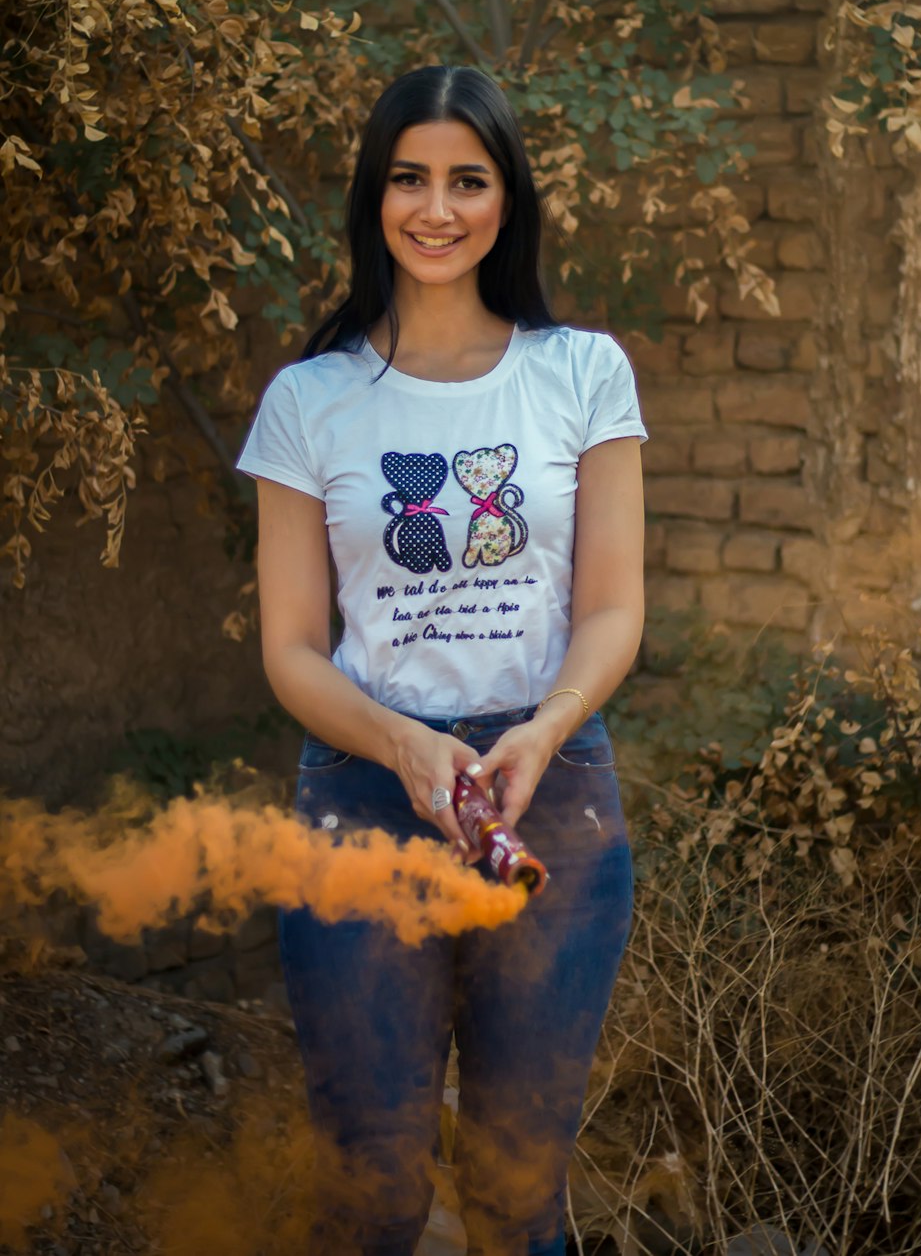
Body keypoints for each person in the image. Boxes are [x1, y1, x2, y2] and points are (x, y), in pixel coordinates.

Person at [236, 64, 647, 1256]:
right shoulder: (310, 401)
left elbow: (614, 611)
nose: (436, 208)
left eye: (467, 180)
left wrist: (543, 727)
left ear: (506, 200)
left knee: (520, 1199)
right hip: (364, 797)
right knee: (370, 1196)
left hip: (549, 797)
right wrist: (406, 745)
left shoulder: (581, 374)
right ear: (374, 196)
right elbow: (293, 649)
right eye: (409, 178)